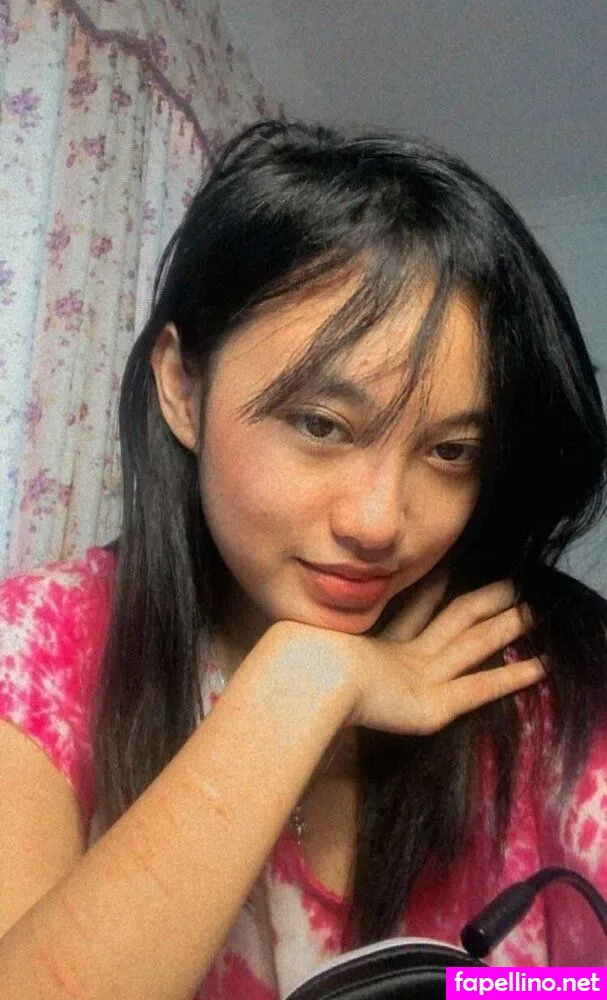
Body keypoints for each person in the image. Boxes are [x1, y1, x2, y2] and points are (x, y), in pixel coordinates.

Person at [0, 120, 605, 999]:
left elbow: (579, 986)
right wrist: (300, 686)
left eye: (449, 452)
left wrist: (497, 991)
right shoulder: (40, 652)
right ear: (183, 386)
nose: (378, 523)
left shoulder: (535, 676)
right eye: (321, 425)